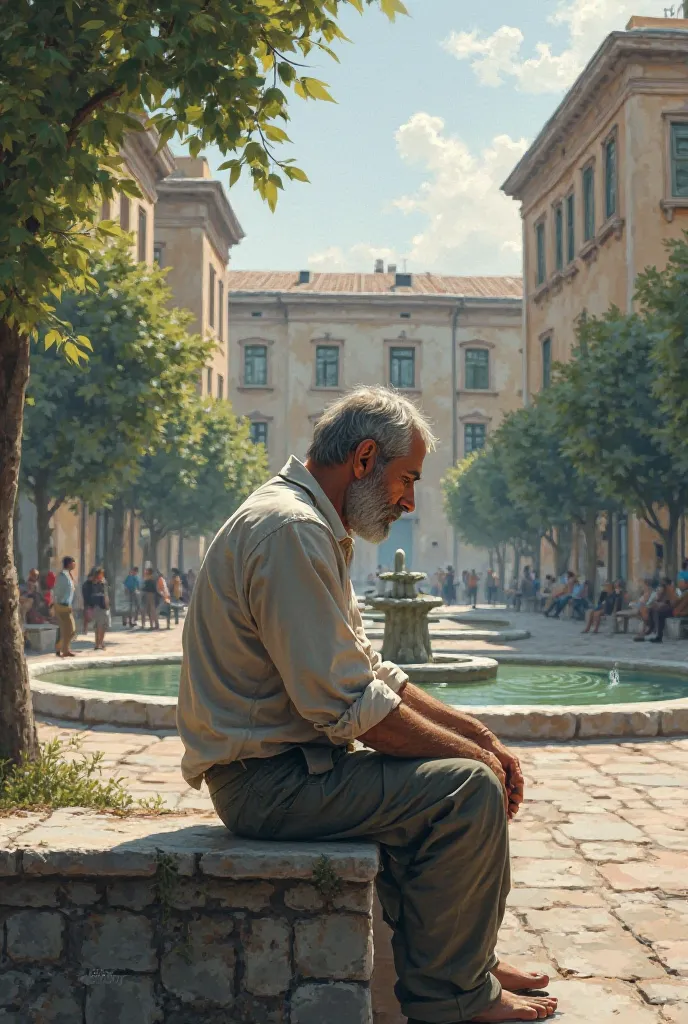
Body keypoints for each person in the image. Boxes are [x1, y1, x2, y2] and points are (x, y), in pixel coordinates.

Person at [178, 386, 557, 1024]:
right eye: (407, 478)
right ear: (362, 460)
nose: (410, 499)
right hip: (266, 784)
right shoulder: (292, 530)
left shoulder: (306, 521)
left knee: (463, 773)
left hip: (288, 772)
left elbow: (370, 670)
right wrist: (477, 760)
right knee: (464, 792)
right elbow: (350, 704)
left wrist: (481, 736)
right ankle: (453, 997)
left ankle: (467, 958)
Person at [53, 556, 77, 657]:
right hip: (62, 605)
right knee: (69, 629)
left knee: (68, 629)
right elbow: (57, 591)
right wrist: (61, 602)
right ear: (68, 564)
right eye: (73, 562)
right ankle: (63, 649)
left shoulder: (68, 575)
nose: (74, 564)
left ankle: (63, 649)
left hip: (67, 605)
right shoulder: (62, 576)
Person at [90, 567, 110, 651]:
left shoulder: (103, 582)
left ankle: (99, 643)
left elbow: (106, 594)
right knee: (100, 626)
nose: (102, 575)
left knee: (102, 626)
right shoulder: (96, 583)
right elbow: (102, 594)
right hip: (99, 606)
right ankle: (99, 643)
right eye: (101, 573)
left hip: (103, 606)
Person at [81, 567, 96, 635]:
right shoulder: (86, 584)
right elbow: (85, 594)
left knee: (91, 618)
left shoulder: (94, 584)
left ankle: (89, 629)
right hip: (88, 603)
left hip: (93, 603)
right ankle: (85, 630)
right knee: (86, 618)